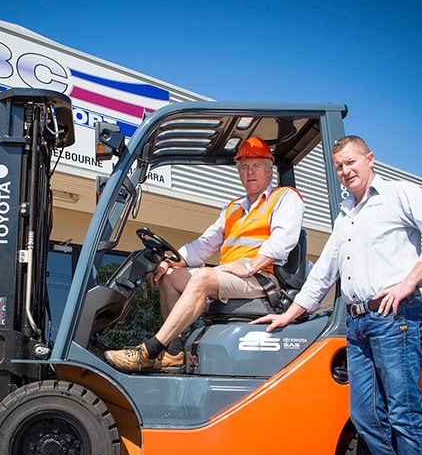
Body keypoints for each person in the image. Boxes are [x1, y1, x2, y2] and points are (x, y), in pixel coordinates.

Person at [252, 135, 422, 455]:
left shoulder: (398, 195)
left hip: (394, 318)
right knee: (365, 416)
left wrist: (408, 282)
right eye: (339, 167)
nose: (346, 170)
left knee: (404, 416)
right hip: (359, 324)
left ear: (370, 160)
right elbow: (324, 273)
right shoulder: (346, 215)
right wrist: (288, 314)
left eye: (351, 162)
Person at [105, 136, 305, 373]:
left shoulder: (284, 198)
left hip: (261, 279)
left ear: (269, 169)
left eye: (256, 166)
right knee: (170, 276)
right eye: (244, 167)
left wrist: (250, 267)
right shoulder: (233, 208)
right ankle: (173, 352)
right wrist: (170, 261)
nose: (249, 172)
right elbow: (204, 244)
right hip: (233, 276)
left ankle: (150, 351)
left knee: (202, 278)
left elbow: (283, 241)